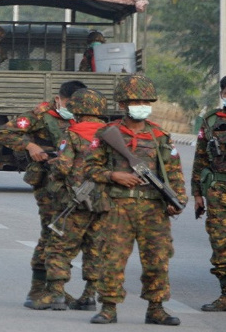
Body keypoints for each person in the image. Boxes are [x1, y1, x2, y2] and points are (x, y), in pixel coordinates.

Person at [84, 75, 186, 325]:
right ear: (122, 105)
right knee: (112, 258)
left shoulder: (160, 136)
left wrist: (177, 200)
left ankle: (156, 308)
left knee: (158, 259)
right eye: (135, 101)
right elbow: (88, 169)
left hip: (154, 209)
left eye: (145, 101)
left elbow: (173, 173)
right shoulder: (108, 134)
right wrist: (113, 175)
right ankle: (108, 307)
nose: (141, 104)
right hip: (118, 207)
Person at [0, 80, 87, 308]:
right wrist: (30, 146)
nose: (72, 107)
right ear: (59, 98)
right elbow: (4, 133)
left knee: (70, 237)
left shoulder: (83, 117)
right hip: (48, 182)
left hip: (74, 183)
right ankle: (38, 290)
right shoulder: (40, 115)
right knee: (51, 232)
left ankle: (57, 289)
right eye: (69, 103)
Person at [29, 88, 109, 311]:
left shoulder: (72, 133)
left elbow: (64, 167)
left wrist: (53, 170)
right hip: (103, 200)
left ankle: (55, 295)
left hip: (74, 201)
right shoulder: (112, 133)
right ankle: (89, 295)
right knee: (95, 247)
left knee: (59, 247)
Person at [193, 75, 226, 312]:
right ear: (223, 94)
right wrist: (197, 194)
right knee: (220, 242)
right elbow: (200, 158)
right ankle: (225, 294)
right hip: (218, 191)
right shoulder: (211, 120)